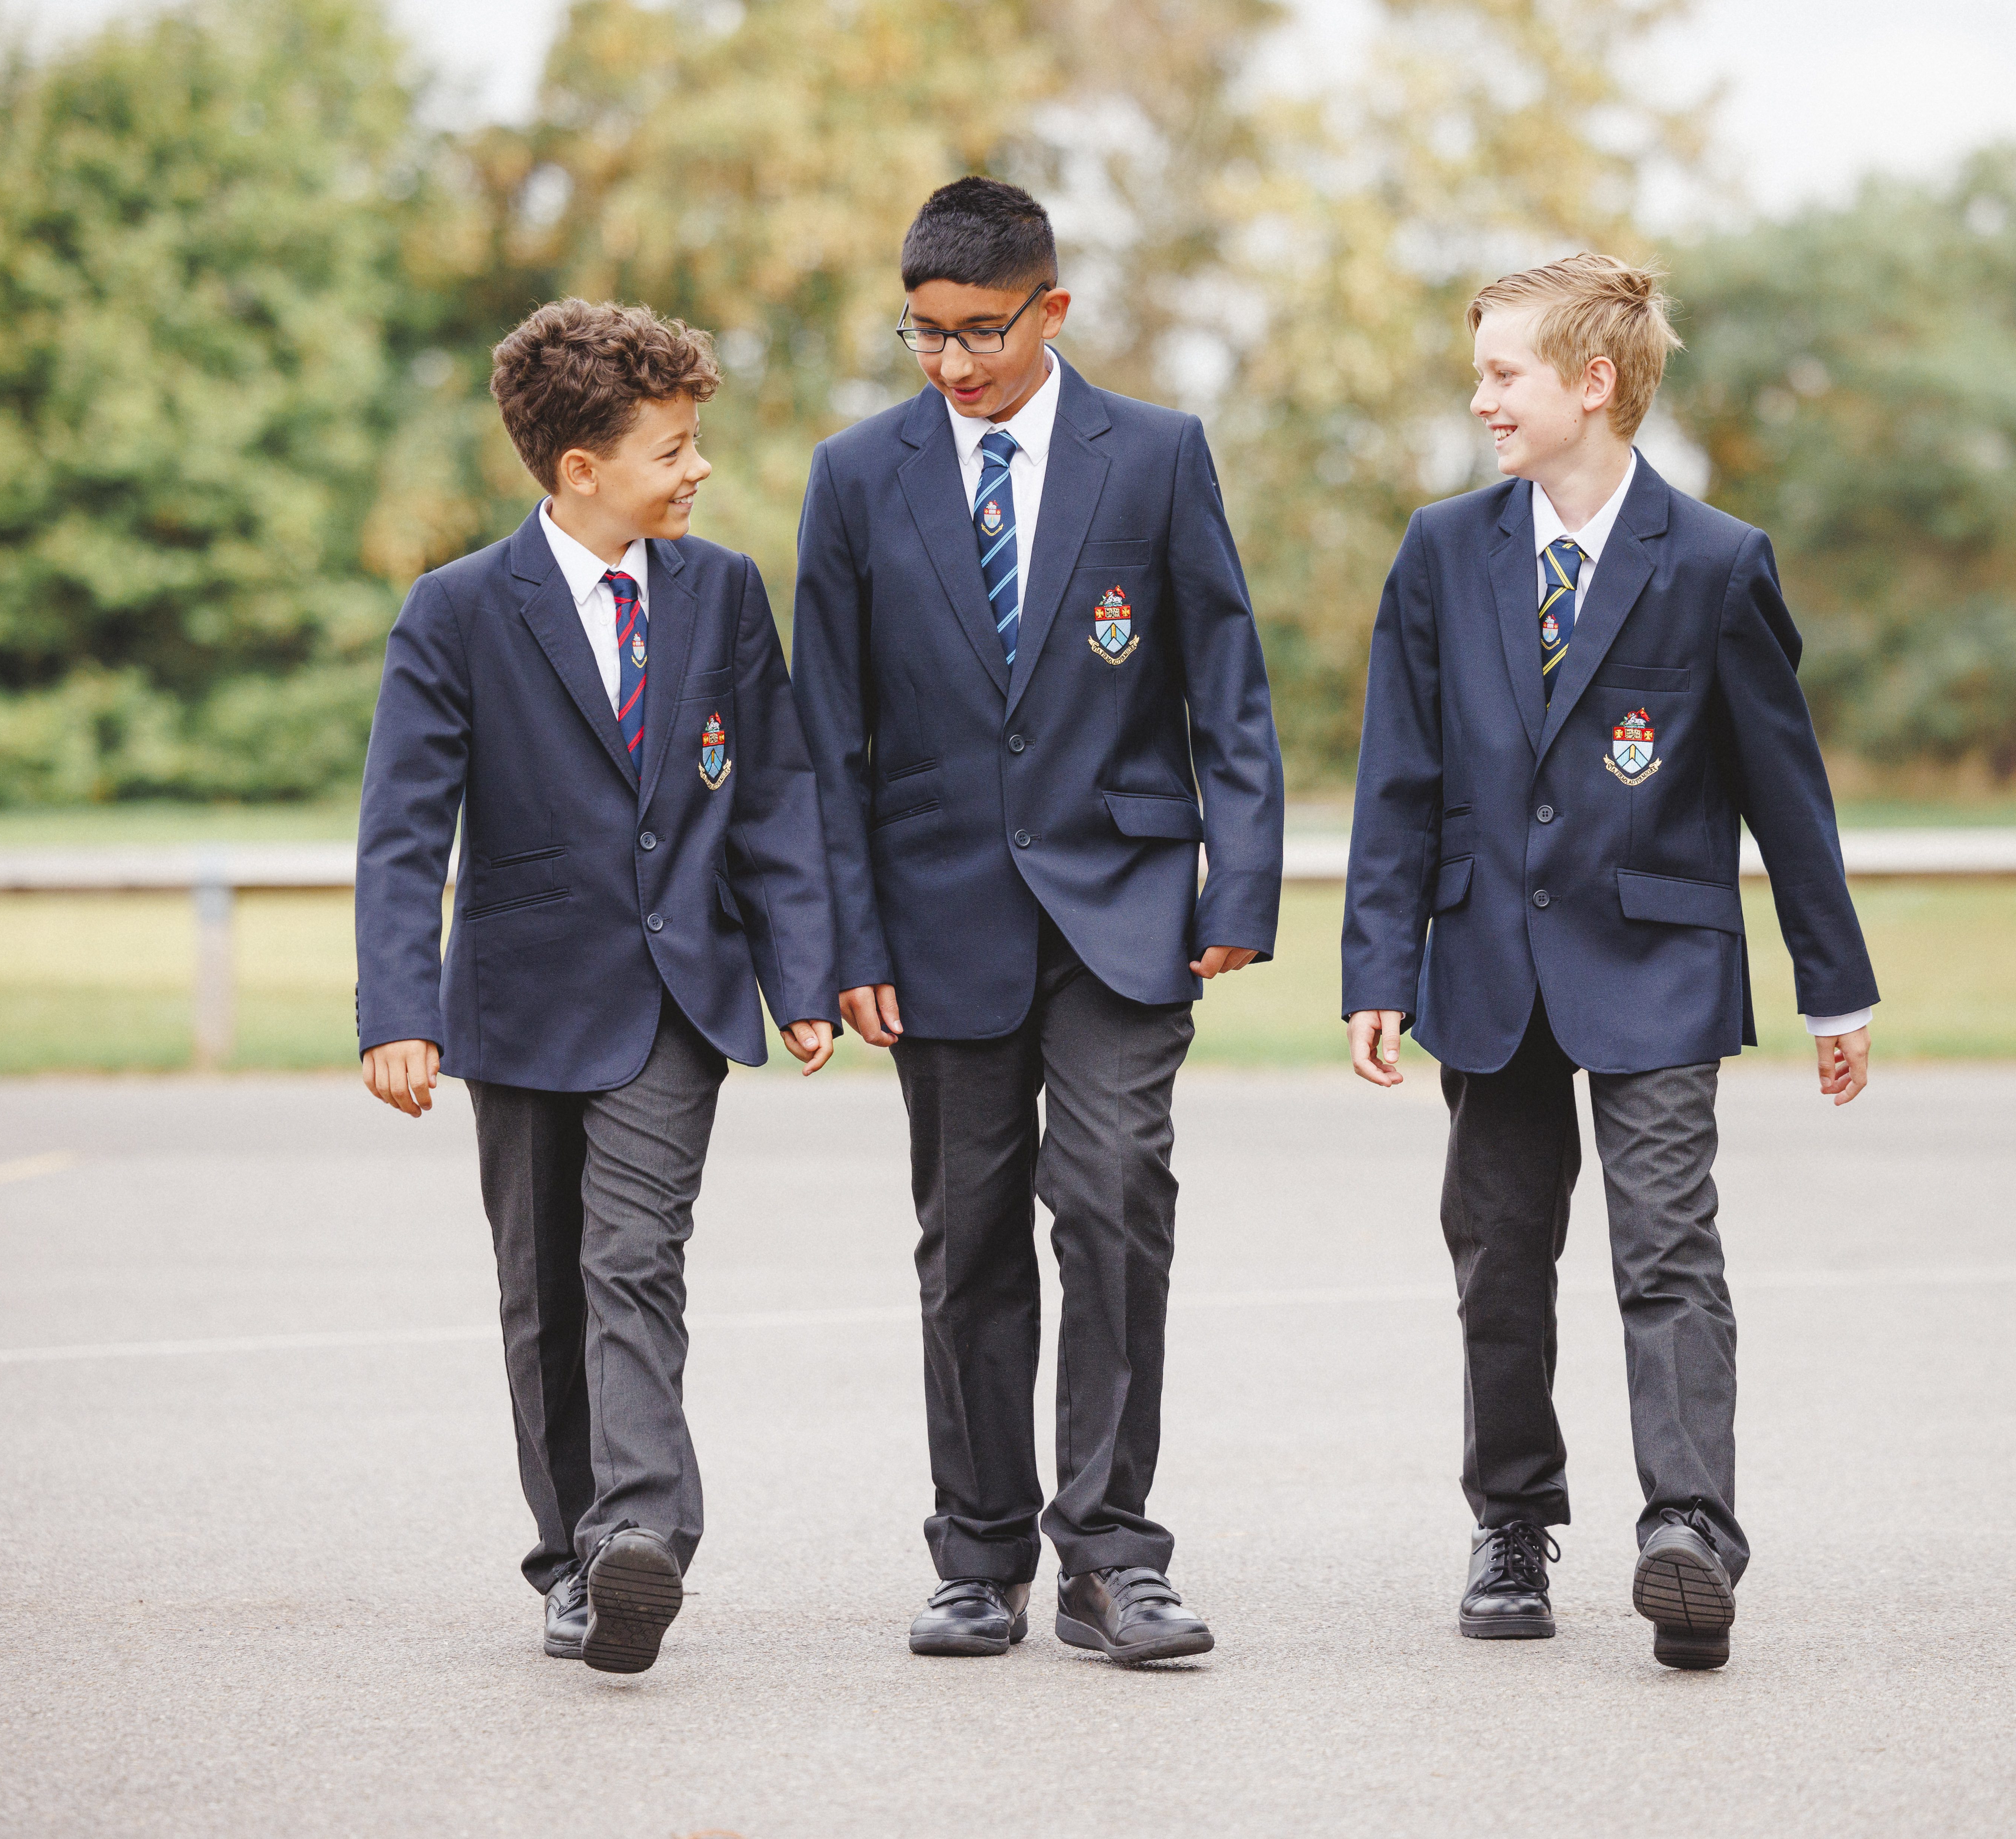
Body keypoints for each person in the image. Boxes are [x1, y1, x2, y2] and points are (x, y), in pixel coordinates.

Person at [1339, 255, 1878, 1671]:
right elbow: (1400, 777)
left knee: (1668, 1249)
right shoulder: (1442, 551)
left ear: (1594, 383)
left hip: (1658, 963)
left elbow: (1787, 791)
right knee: (1500, 1257)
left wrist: (1836, 981)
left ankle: (1690, 1532)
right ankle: (1512, 1521)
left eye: (1504, 372)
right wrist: (1377, 965)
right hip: (1487, 968)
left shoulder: (1715, 563)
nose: (1480, 397)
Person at [791, 177, 1285, 1667]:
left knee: (1118, 1194)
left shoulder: (1159, 457)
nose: (951, 362)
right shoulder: (855, 478)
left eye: (980, 332)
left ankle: (1113, 1556)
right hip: (932, 922)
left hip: (1127, 907)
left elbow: (1232, 693)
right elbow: (828, 739)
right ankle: (979, 1556)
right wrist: (844, 940)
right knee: (967, 1242)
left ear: (1051, 309)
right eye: (924, 334)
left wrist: (1240, 884)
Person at [354, 298, 839, 1676]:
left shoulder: (725, 593)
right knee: (541, 1288)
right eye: (673, 450)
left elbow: (774, 797)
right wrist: (400, 1011)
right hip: (516, 1001)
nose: (699, 471)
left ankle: (640, 1538)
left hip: (676, 995)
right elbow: (404, 825)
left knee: (634, 1258)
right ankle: (571, 1555)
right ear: (580, 468)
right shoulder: (454, 612)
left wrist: (798, 971)